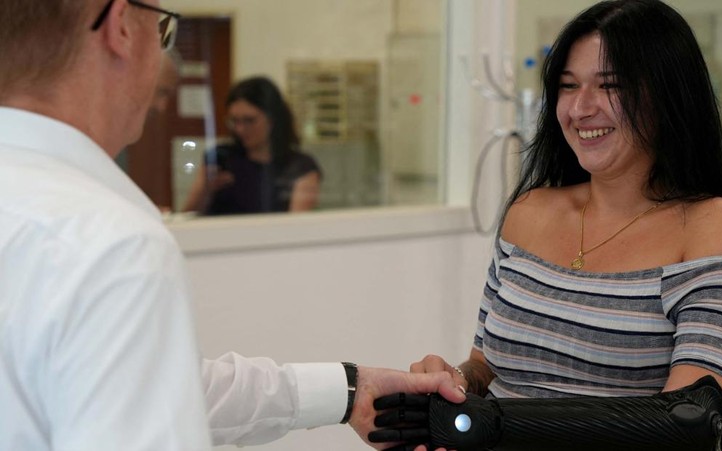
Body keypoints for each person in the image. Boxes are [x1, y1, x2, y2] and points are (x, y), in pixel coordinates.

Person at [0, 1, 465, 450]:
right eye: (162, 29)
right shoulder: (108, 244)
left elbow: (160, 385)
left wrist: (349, 388)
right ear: (121, 26)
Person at [372, 1, 722, 450]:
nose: (580, 108)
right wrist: (450, 383)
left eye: (609, 86)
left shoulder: (709, 225)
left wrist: (494, 424)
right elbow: (486, 367)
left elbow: (689, 420)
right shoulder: (529, 211)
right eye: (567, 86)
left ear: (669, 94)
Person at [182, 76, 322, 215]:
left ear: (272, 119)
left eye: (249, 121)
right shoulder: (221, 158)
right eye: (234, 121)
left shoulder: (299, 167)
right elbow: (188, 216)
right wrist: (206, 190)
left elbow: (296, 226)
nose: (240, 129)